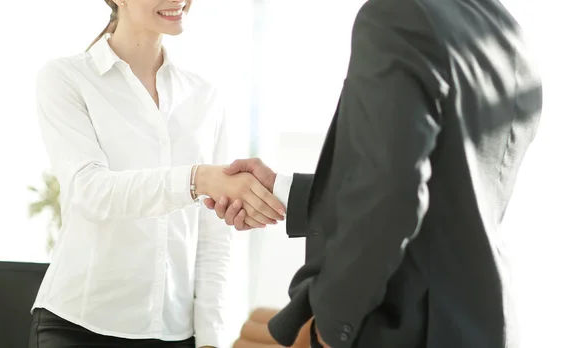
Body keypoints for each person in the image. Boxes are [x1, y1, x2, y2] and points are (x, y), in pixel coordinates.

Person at [205, 0, 542, 346]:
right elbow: (449, 190)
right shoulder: (509, 33)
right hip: (480, 325)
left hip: (403, 327)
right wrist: (282, 191)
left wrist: (327, 331)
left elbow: (392, 195)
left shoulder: (398, 15)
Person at [27, 1, 285, 347]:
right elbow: (90, 191)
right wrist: (197, 179)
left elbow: (213, 234)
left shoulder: (204, 96)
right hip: (79, 326)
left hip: (175, 333)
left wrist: (209, 337)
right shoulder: (67, 78)